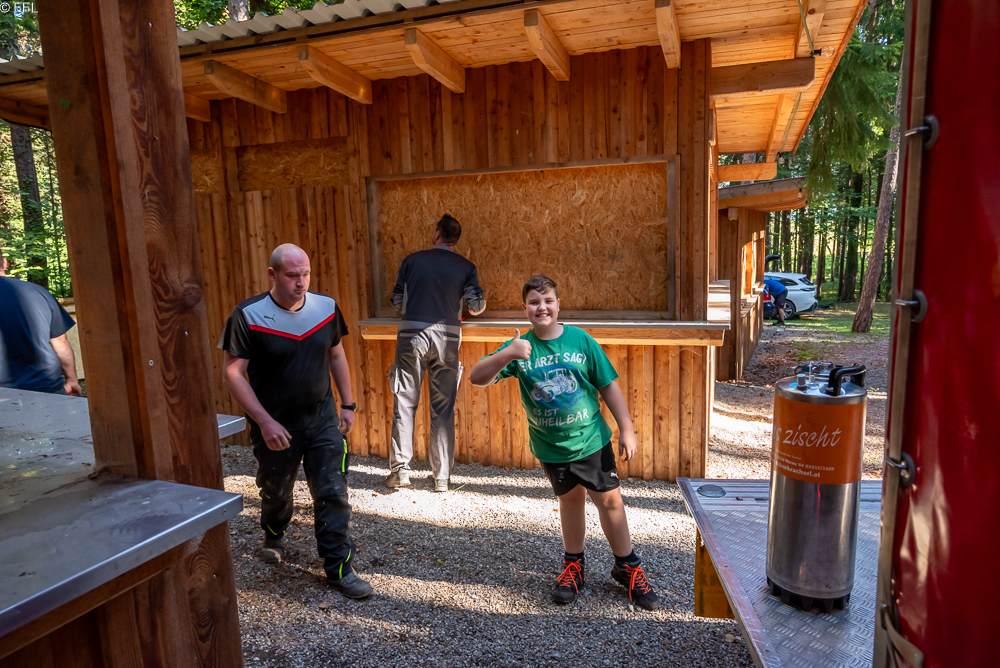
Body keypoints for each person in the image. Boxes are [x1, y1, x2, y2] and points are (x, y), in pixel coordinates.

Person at [468, 275, 659, 611]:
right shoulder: (520, 347)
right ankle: (574, 566)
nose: (541, 307)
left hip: (591, 440)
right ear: (524, 308)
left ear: (558, 304)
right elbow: (477, 376)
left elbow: (608, 384)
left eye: (548, 301)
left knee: (610, 503)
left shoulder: (580, 340)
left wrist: (627, 428)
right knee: (570, 501)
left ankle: (627, 566)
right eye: (534, 302)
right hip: (551, 447)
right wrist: (508, 354)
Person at [219, 243, 371, 599]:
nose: (301, 282)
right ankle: (274, 534)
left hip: (322, 419)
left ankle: (339, 568)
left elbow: (336, 355)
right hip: (275, 426)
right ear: (272, 275)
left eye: (305, 274)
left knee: (332, 492)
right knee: (276, 490)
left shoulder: (326, 308)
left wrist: (348, 405)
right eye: (292, 276)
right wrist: (264, 422)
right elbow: (232, 374)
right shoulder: (248, 316)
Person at [386, 214, 486, 492]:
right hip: (448, 340)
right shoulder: (466, 267)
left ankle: (400, 471)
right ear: (456, 238)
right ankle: (442, 477)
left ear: (437, 234)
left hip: (411, 337)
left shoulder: (411, 261)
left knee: (404, 402)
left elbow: (396, 301)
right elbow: (477, 306)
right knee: (443, 409)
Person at [0, 256, 81, 396]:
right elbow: (60, 343)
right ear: (5, 263)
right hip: (45, 387)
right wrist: (72, 380)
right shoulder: (39, 292)